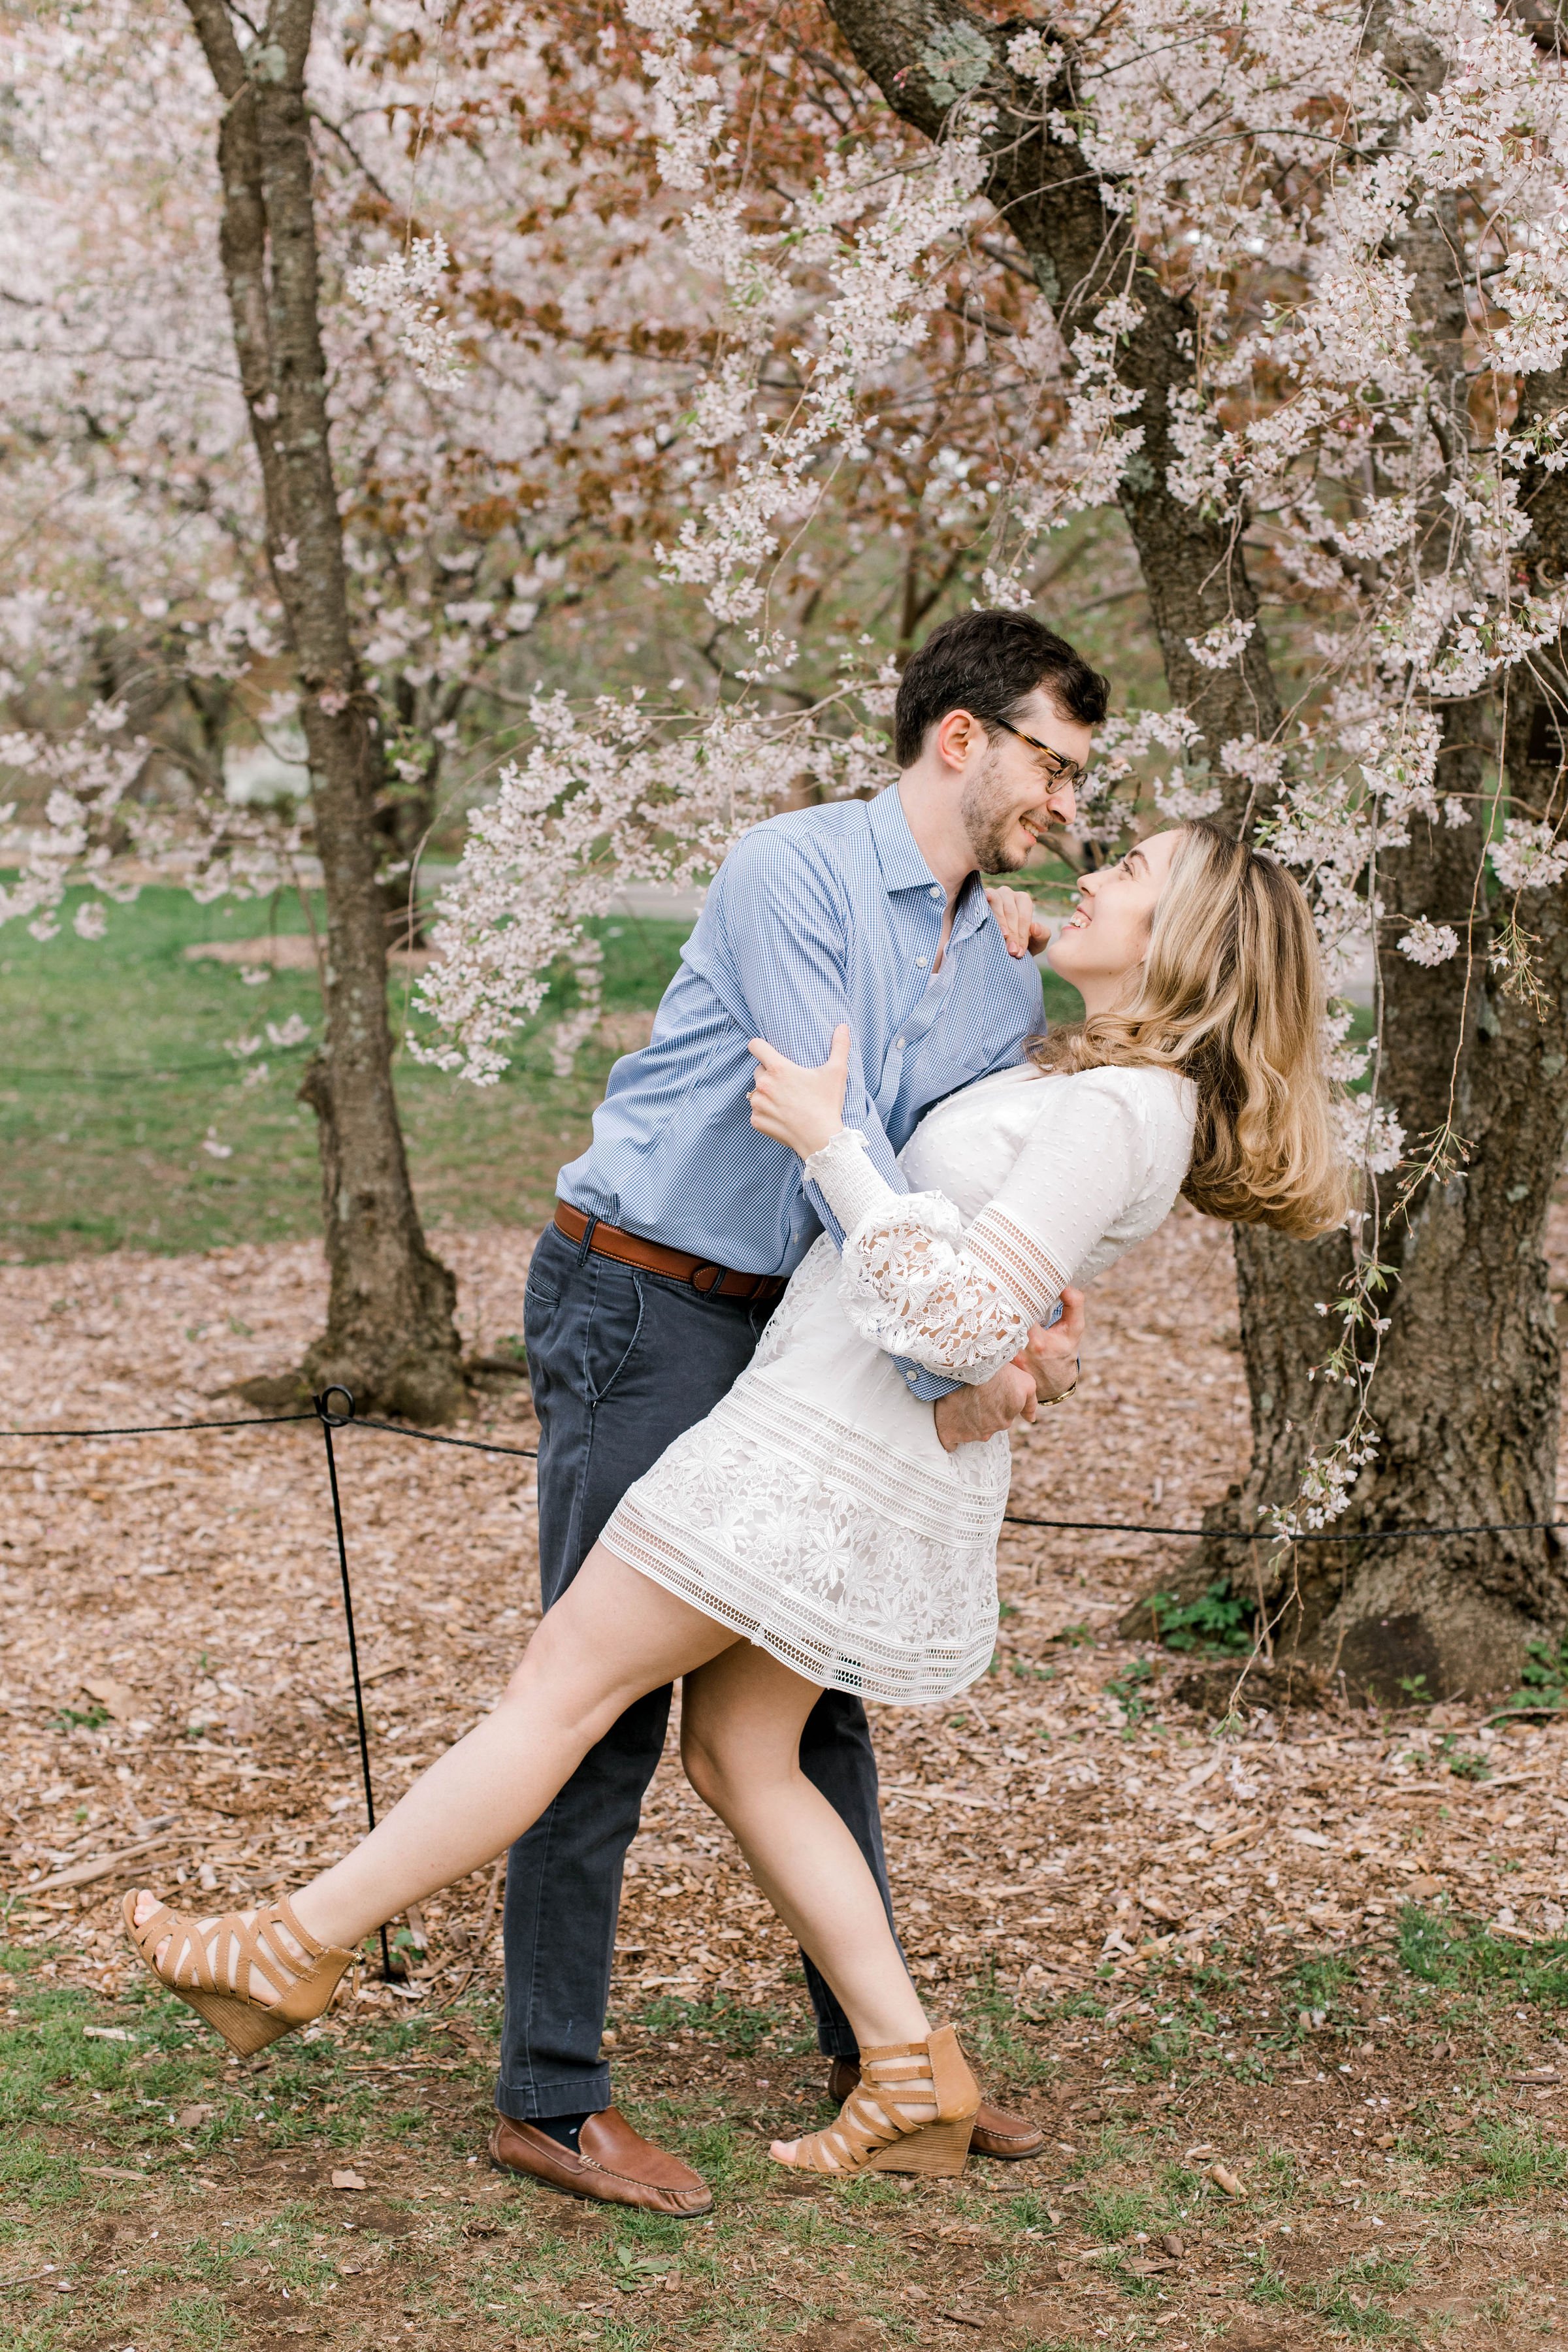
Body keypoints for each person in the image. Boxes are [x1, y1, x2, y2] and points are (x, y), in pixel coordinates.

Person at [124, 809, 1348, 2195]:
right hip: (842, 1435)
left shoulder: (1123, 1107)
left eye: (1127, 876)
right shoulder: (1113, 1084)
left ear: (1183, 942)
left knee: (560, 1691)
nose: (1088, 869)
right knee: (744, 1759)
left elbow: (958, 1319)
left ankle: (289, 1949)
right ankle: (905, 2070)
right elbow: (993, 1288)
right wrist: (998, 964)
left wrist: (831, 1143)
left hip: (812, 1447)